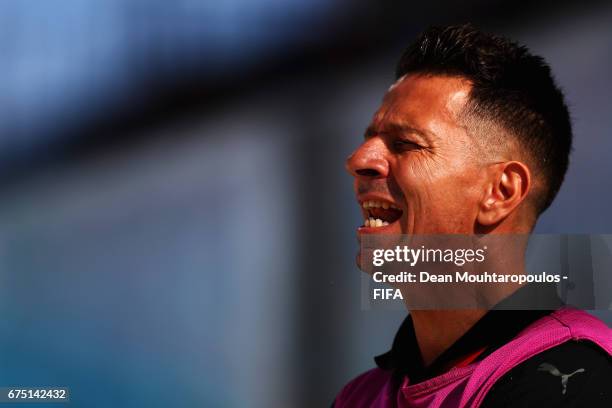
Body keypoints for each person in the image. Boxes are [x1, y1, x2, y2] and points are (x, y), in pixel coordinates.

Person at [336, 24, 612, 407]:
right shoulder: (359, 396)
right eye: (369, 138)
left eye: (406, 144)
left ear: (500, 192)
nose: (359, 160)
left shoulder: (573, 378)